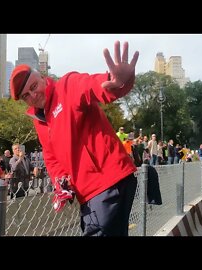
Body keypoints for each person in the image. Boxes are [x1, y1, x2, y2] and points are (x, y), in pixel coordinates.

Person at [9, 40, 139, 236]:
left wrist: (118, 81)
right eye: (26, 95)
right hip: (89, 191)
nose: (33, 95)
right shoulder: (39, 119)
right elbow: (51, 155)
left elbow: (96, 86)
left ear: (43, 77)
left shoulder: (67, 86)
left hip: (106, 181)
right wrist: (60, 183)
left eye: (33, 86)